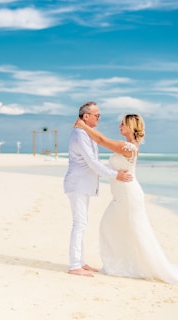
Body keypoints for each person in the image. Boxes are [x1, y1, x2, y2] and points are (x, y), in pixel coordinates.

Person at [74, 114, 178, 287]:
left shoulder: (128, 147)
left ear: (130, 127)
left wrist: (83, 126)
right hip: (121, 196)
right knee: (115, 228)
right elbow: (101, 142)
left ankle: (126, 267)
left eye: (122, 124)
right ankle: (121, 265)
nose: (119, 126)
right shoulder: (127, 146)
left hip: (128, 196)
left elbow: (101, 140)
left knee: (129, 230)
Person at [64, 101, 133, 278]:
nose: (99, 118)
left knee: (82, 222)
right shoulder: (80, 134)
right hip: (78, 184)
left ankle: (80, 262)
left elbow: (95, 156)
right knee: (79, 223)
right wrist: (114, 174)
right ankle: (74, 265)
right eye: (97, 115)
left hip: (84, 184)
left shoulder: (86, 133)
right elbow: (92, 162)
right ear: (85, 116)